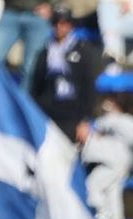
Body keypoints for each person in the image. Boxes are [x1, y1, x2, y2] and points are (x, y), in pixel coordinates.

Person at [0, 0, 52, 120]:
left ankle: (22, 114)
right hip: (9, 12)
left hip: (38, 15)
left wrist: (52, 5)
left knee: (31, 67)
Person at [34, 7, 101, 138]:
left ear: (71, 25)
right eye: (56, 23)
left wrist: (85, 120)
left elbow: (88, 85)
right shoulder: (45, 51)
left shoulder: (83, 50)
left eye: (64, 23)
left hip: (74, 111)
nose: (59, 27)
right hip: (50, 111)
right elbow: (37, 85)